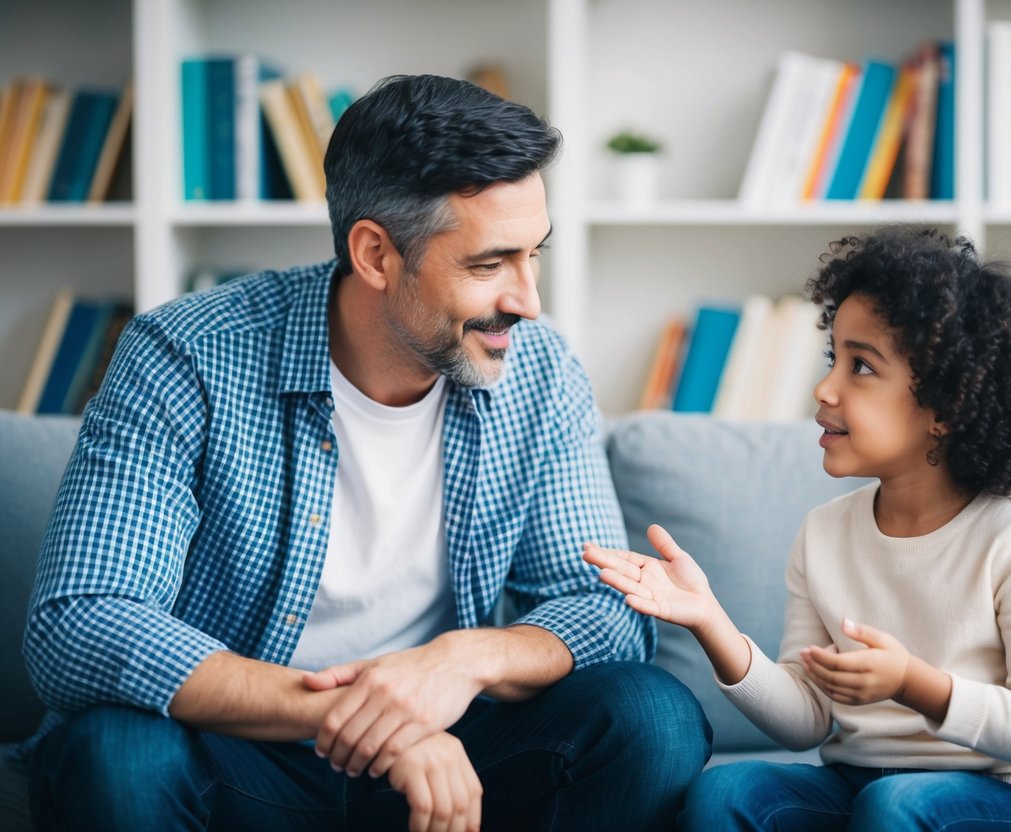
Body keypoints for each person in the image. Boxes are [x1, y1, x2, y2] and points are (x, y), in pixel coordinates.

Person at [23, 74, 709, 832]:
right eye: (489, 264)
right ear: (376, 255)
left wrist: (460, 661)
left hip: (454, 758)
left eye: (532, 254)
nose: (528, 299)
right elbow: (81, 622)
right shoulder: (185, 357)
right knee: (116, 753)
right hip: (242, 750)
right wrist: (369, 718)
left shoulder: (538, 372)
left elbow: (605, 612)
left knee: (653, 717)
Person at [584, 226, 1011, 831]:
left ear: (945, 409)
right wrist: (709, 618)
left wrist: (916, 684)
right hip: (859, 787)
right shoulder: (824, 533)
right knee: (727, 792)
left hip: (1000, 792)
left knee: (895, 807)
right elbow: (806, 718)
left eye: (861, 366)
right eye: (833, 357)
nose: (824, 387)